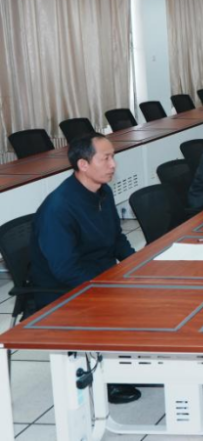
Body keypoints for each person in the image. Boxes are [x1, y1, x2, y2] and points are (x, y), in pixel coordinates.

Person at [31, 133, 142, 404]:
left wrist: (136, 266)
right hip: (62, 287)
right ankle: (108, 376)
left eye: (113, 157)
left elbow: (117, 238)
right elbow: (65, 269)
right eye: (106, 158)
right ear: (83, 165)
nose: (113, 164)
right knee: (120, 302)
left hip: (99, 273)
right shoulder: (60, 207)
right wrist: (109, 286)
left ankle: (130, 362)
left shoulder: (102, 191)